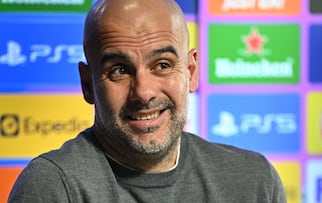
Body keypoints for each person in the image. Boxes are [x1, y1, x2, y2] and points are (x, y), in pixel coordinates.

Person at [8, 0, 287, 202]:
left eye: (162, 65)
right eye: (119, 70)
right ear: (88, 84)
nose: (143, 92)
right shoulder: (54, 187)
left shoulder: (254, 181)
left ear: (190, 72)